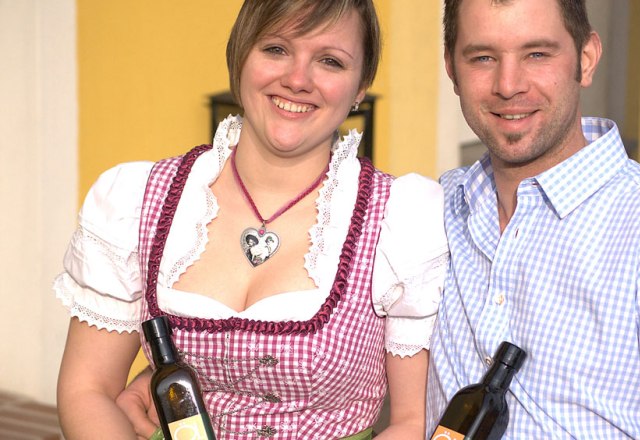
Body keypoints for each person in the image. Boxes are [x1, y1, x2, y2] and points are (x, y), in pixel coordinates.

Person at [54, 1, 448, 439]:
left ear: (361, 86)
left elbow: (413, 423)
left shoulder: (400, 220)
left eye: (330, 61)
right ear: (239, 55)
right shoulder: (139, 199)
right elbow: (88, 389)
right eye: (276, 49)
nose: (297, 79)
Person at [426, 0, 640, 438]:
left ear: (585, 60)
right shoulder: (437, 207)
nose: (508, 85)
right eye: (483, 57)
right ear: (452, 69)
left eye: (537, 54)